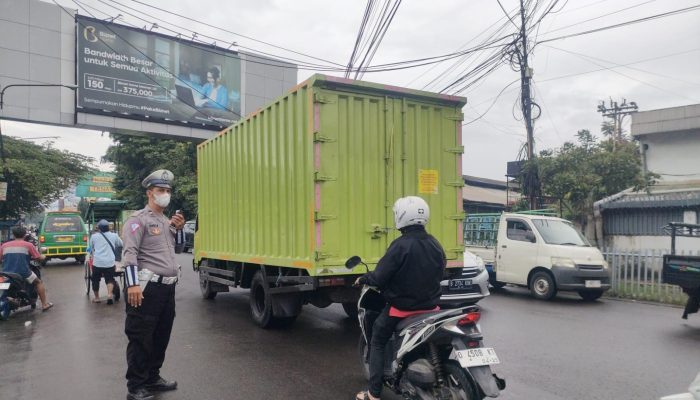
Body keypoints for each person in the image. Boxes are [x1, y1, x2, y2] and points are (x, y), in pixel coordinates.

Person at [354, 196, 446, 400]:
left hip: (403, 308)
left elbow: (379, 277)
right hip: (431, 307)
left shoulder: (400, 245)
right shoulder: (435, 244)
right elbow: (441, 271)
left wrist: (363, 279)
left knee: (377, 339)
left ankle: (373, 393)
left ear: (402, 216)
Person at [121, 169, 185, 400]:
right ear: (150, 193)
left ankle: (152, 377)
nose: (165, 194)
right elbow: (129, 254)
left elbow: (176, 250)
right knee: (141, 337)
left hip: (167, 288)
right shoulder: (138, 220)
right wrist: (132, 285)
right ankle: (136, 386)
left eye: (168, 190)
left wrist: (178, 229)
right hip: (146, 288)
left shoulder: (166, 221)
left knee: (161, 335)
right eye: (161, 190)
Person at [0, 226, 53, 311]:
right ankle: (44, 305)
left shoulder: (4, 245)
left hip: (6, 273)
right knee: (38, 282)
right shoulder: (28, 245)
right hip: (23, 273)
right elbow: (38, 257)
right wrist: (43, 256)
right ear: (24, 235)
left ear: (13, 235)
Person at [88, 219, 123, 305]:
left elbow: (90, 248)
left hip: (97, 263)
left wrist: (92, 253)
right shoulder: (114, 235)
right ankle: (110, 295)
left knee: (95, 280)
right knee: (110, 279)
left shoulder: (94, 236)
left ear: (99, 228)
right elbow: (121, 244)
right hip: (109, 263)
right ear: (108, 227)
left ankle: (97, 298)